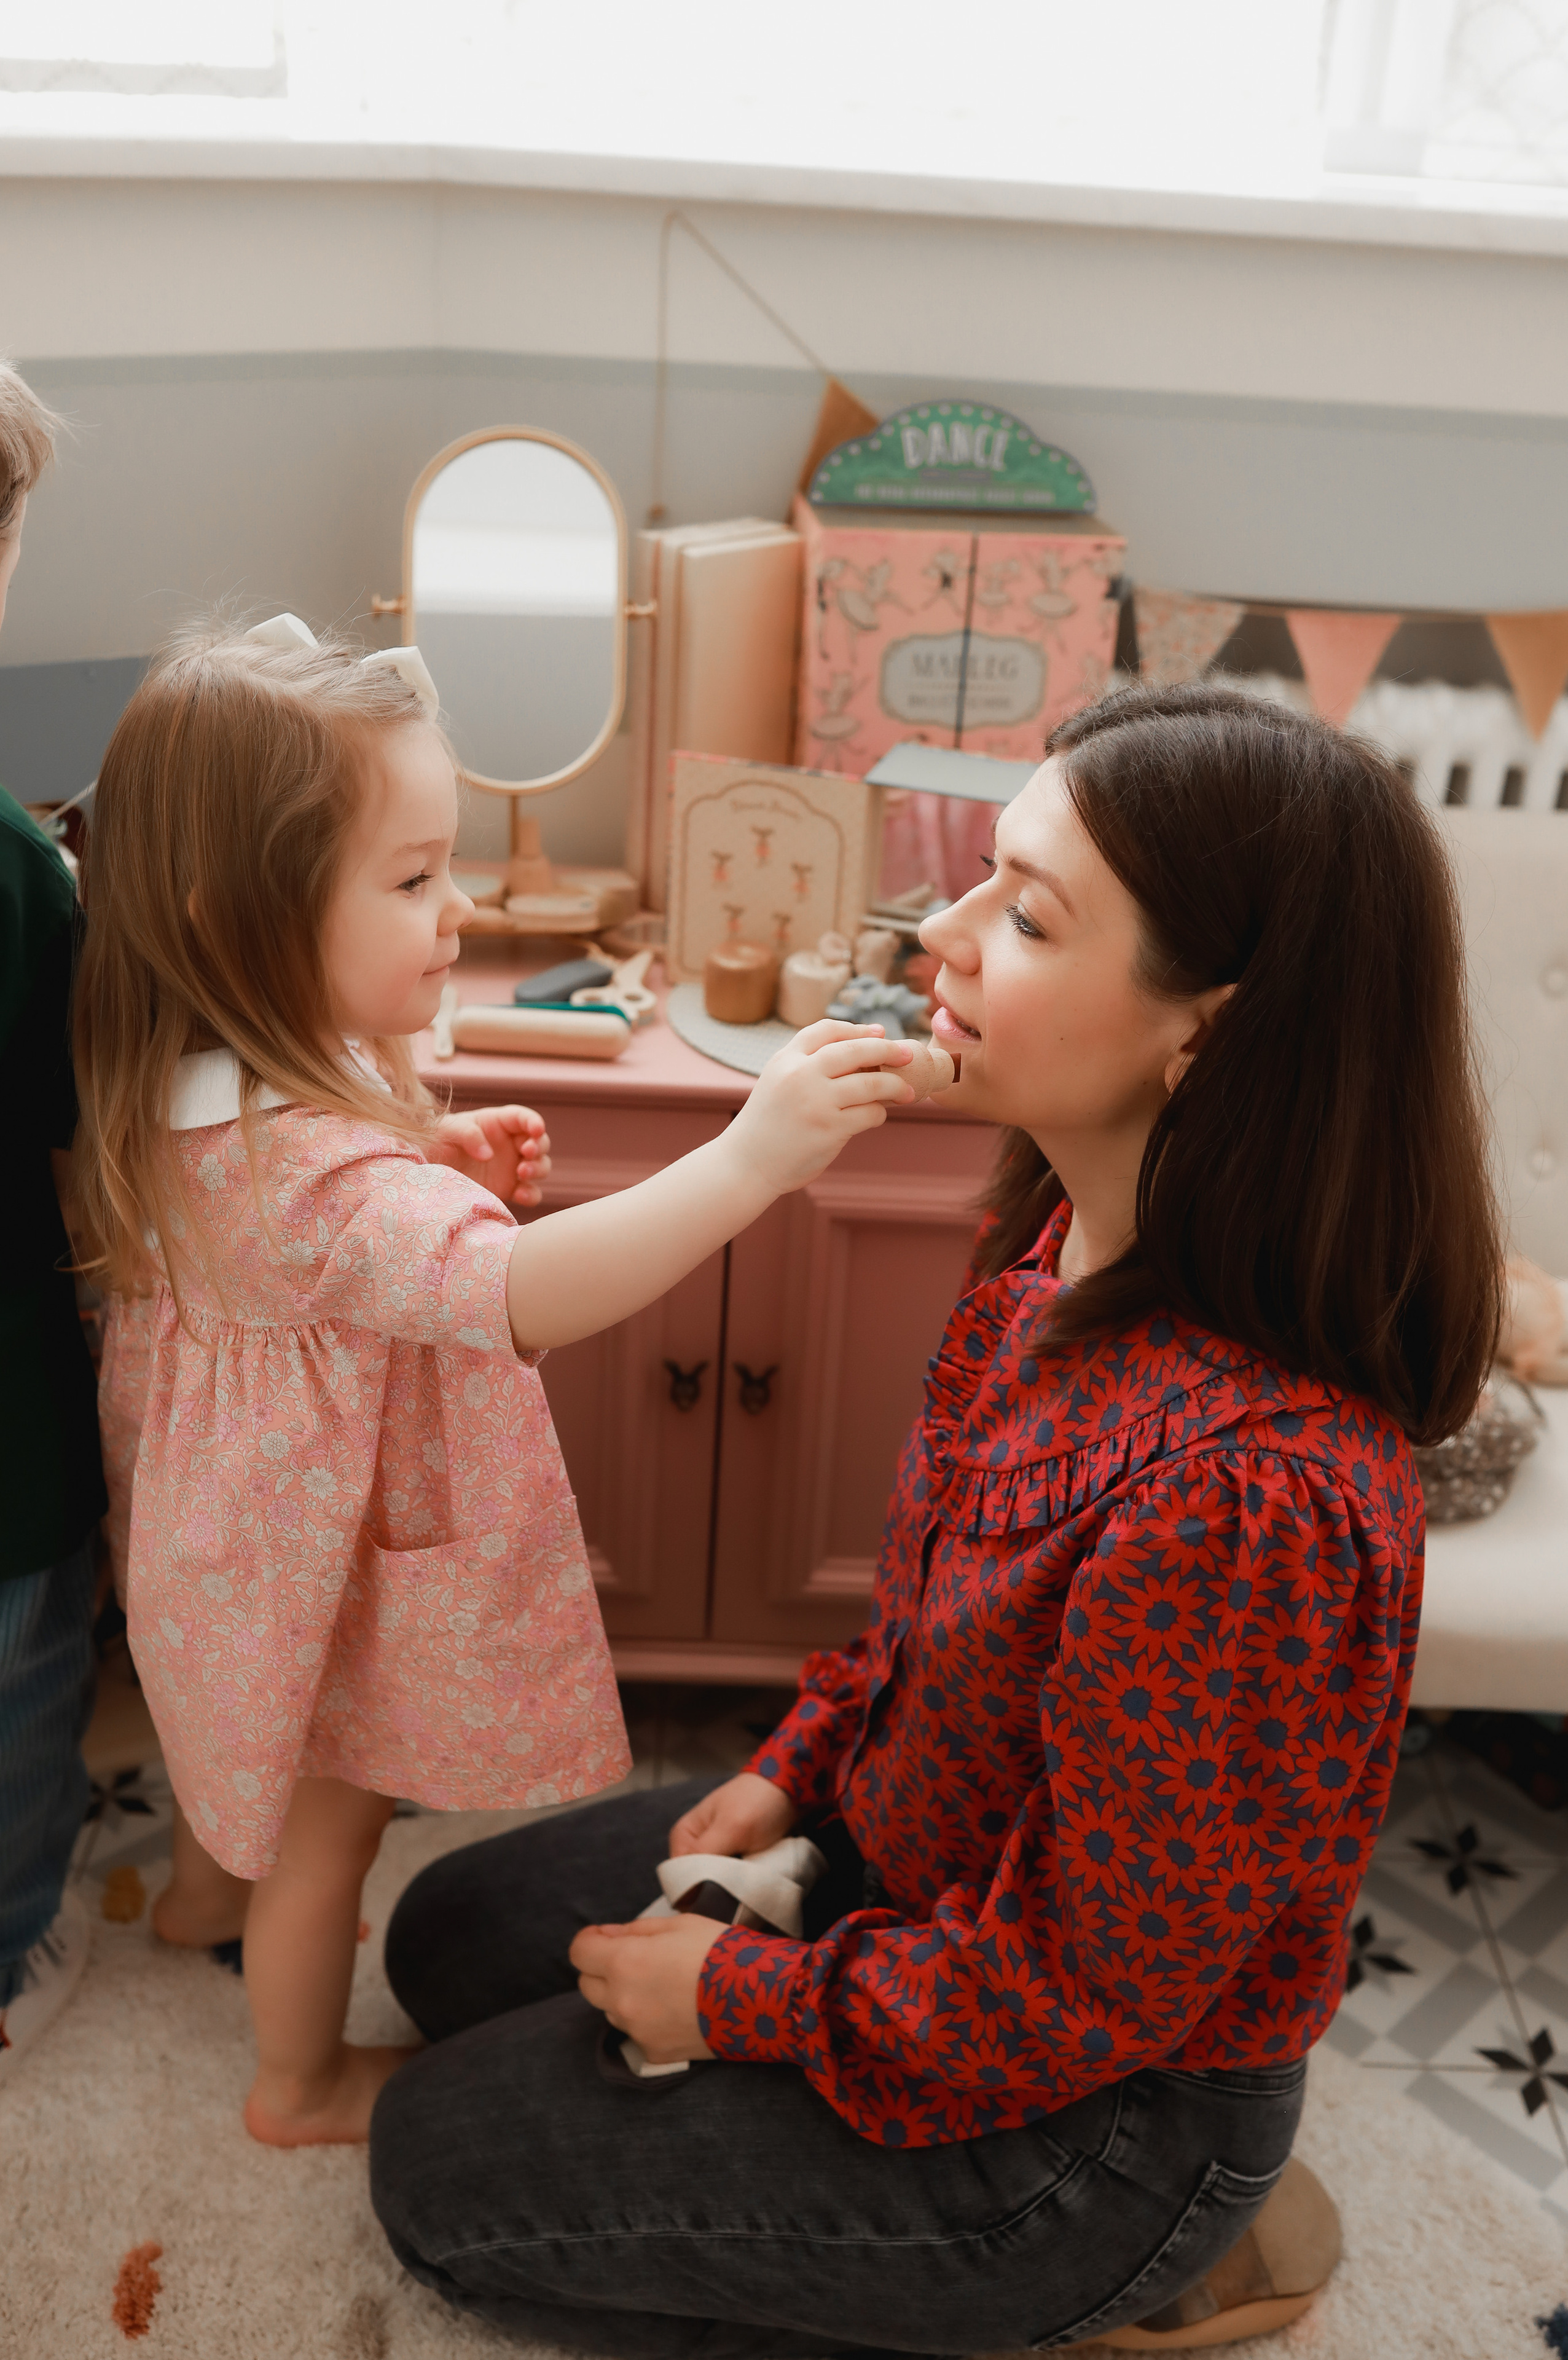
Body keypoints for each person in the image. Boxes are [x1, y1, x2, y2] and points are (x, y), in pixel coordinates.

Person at [370, 681, 1500, 2355]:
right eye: (983, 878)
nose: (944, 936)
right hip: (917, 1879)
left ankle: (1178, 2250)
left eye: (1028, 915)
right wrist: (790, 1772)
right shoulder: (1051, 1260)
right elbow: (916, 1635)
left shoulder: (1249, 1507)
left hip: (1096, 2122)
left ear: (1208, 1031)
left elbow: (1083, 1996)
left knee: (433, 2175)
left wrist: (744, 1998)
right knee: (444, 1938)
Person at [74, 617, 914, 2148]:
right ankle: (297, 2081)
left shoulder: (179, 1090)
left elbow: (286, 1267)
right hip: (303, 1577)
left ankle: (201, 1901)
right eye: (410, 880)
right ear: (233, 921)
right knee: (328, 1823)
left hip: (216, 1565)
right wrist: (749, 1158)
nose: (455, 912)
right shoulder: (320, 1179)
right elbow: (520, 1295)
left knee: (230, 1747)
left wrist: (427, 1159)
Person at [0, 358, 107, 2076]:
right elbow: (74, 1130)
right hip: (2, 1417)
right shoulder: (16, 868)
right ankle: (6, 1948)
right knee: (18, 1688)